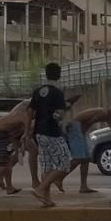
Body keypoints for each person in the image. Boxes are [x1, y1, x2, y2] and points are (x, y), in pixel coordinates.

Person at [28, 63, 74, 208]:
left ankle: (46, 198)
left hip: (39, 132)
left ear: (46, 74)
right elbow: (59, 115)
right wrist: (64, 111)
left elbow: (30, 112)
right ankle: (41, 189)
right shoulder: (58, 93)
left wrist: (26, 131)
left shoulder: (37, 91)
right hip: (52, 132)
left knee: (47, 166)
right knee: (65, 162)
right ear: (59, 74)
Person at [56, 102, 111, 194]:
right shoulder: (103, 113)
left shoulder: (108, 117)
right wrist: (81, 133)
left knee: (86, 158)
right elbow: (89, 122)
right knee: (79, 158)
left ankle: (83, 186)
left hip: (80, 128)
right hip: (76, 126)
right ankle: (59, 177)